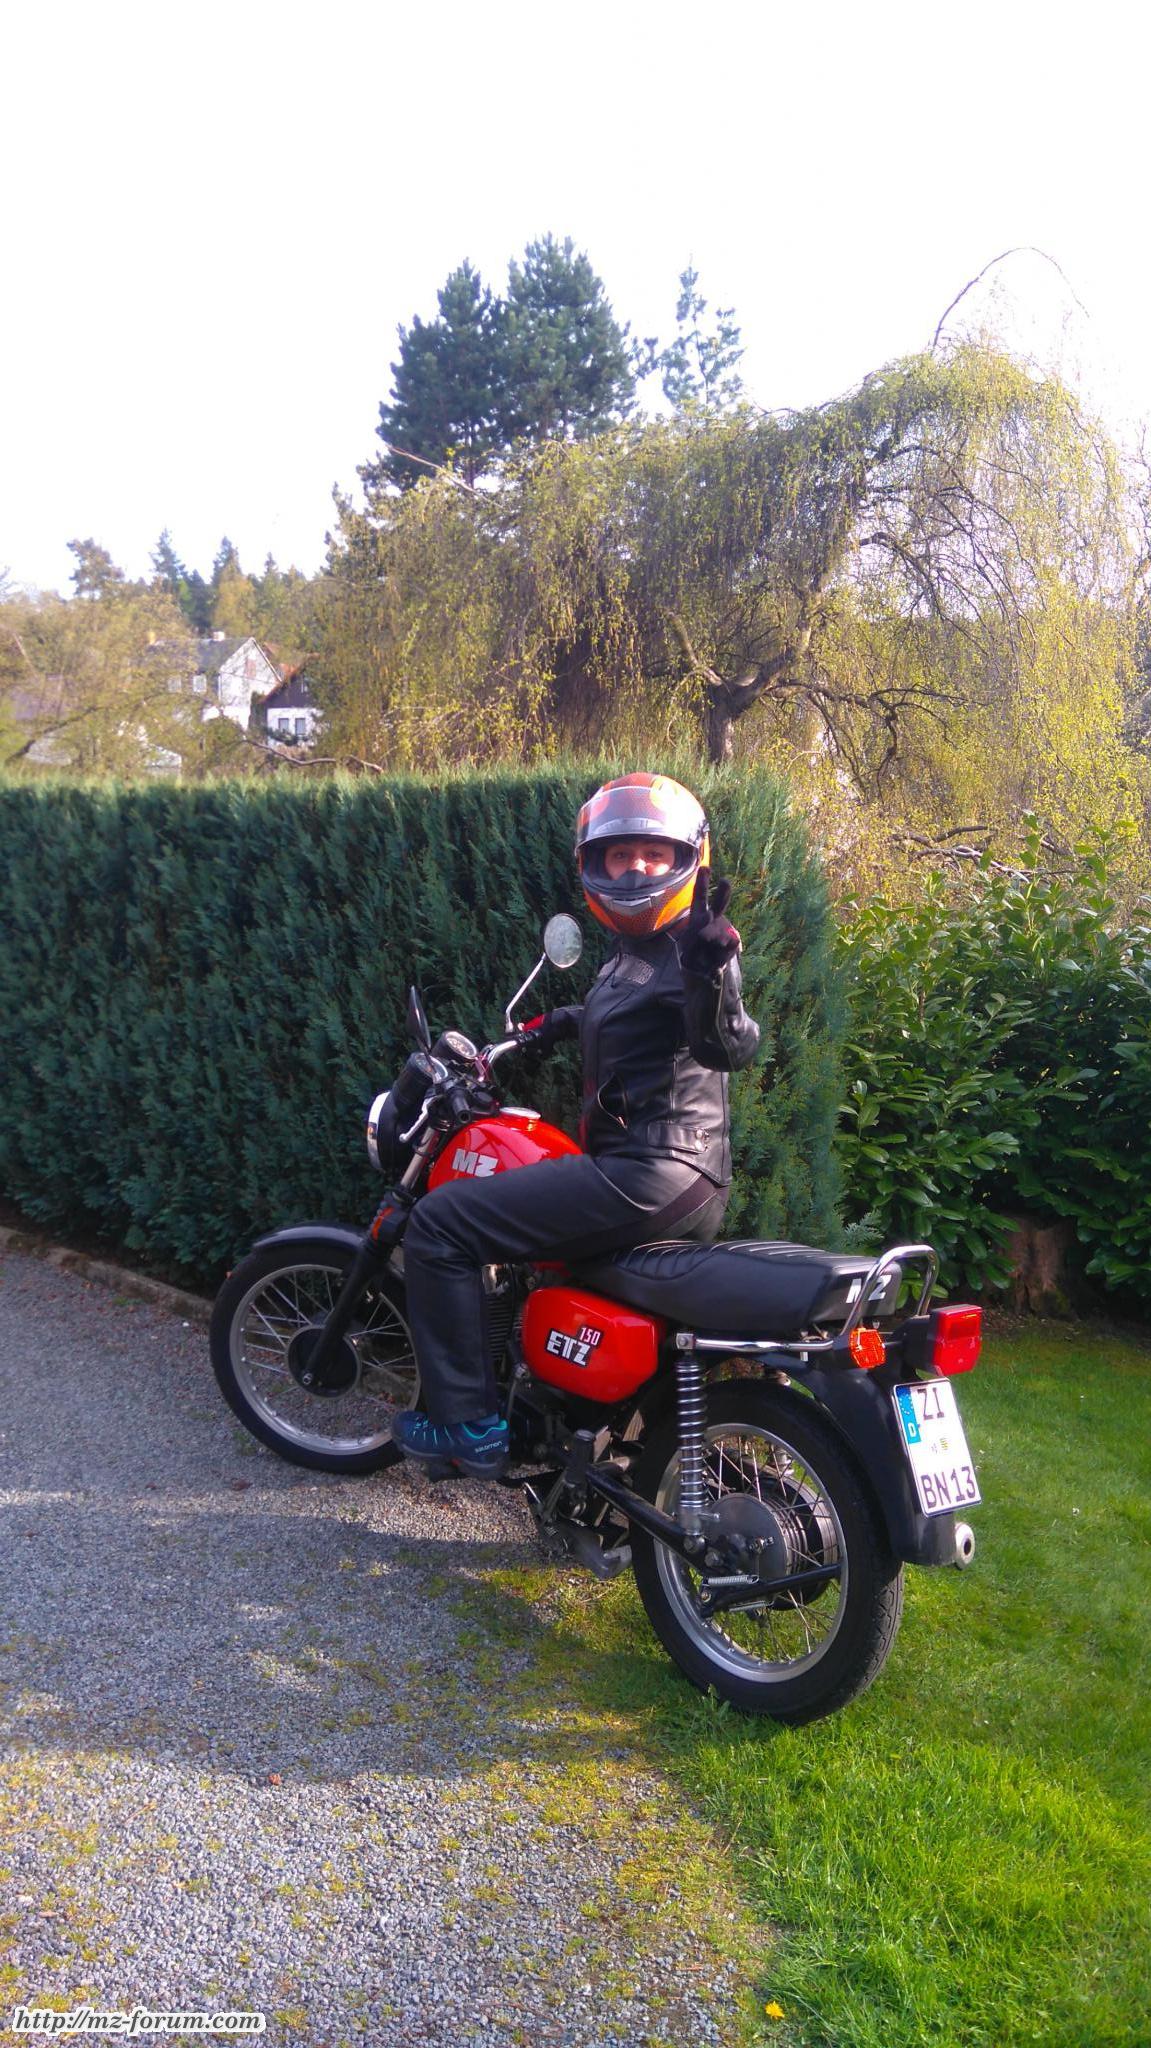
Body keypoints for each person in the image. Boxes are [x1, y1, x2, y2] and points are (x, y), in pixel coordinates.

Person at [391, 772, 761, 1477]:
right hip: (656, 1171)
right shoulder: (636, 950)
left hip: (652, 1172)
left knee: (439, 1225)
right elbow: (619, 1012)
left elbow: (726, 1044)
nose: (636, 869)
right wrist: (545, 1027)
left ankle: (465, 1425)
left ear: (687, 860)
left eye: (653, 853)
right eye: (620, 855)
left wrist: (715, 976)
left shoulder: (693, 947)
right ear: (595, 864)